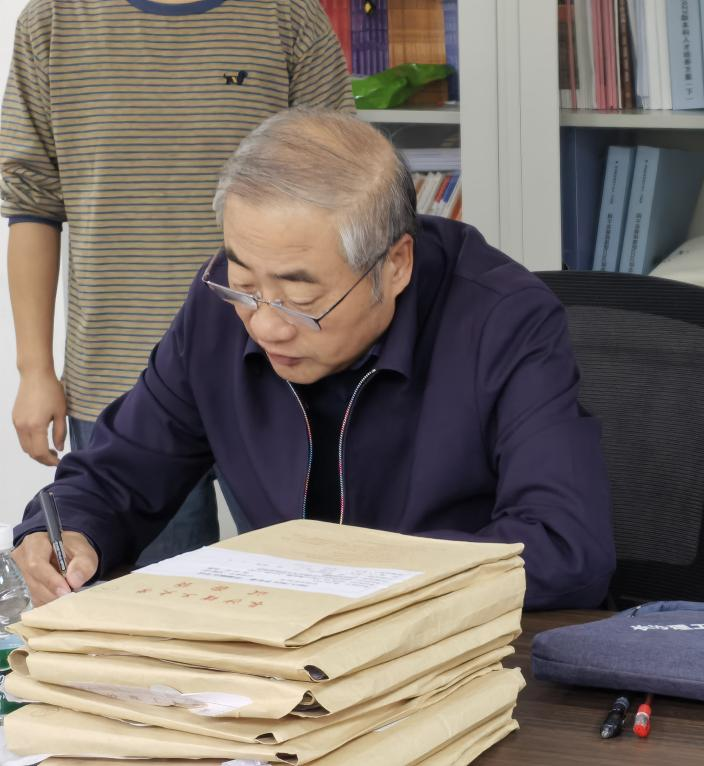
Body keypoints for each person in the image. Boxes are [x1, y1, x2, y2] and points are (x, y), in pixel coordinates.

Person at [12, 109, 616, 610]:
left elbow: (565, 549)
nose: (265, 324)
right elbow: (119, 473)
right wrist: (60, 534)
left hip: (452, 656)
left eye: (300, 300)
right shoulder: (217, 309)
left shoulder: (503, 319)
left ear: (395, 264)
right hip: (284, 661)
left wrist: (348, 575)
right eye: (244, 284)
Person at [1, 0, 354, 565]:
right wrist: (34, 370)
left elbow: (346, 189)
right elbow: (32, 206)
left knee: (317, 579)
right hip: (118, 380)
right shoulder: (53, 21)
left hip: (276, 368)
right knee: (147, 603)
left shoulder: (288, 16)